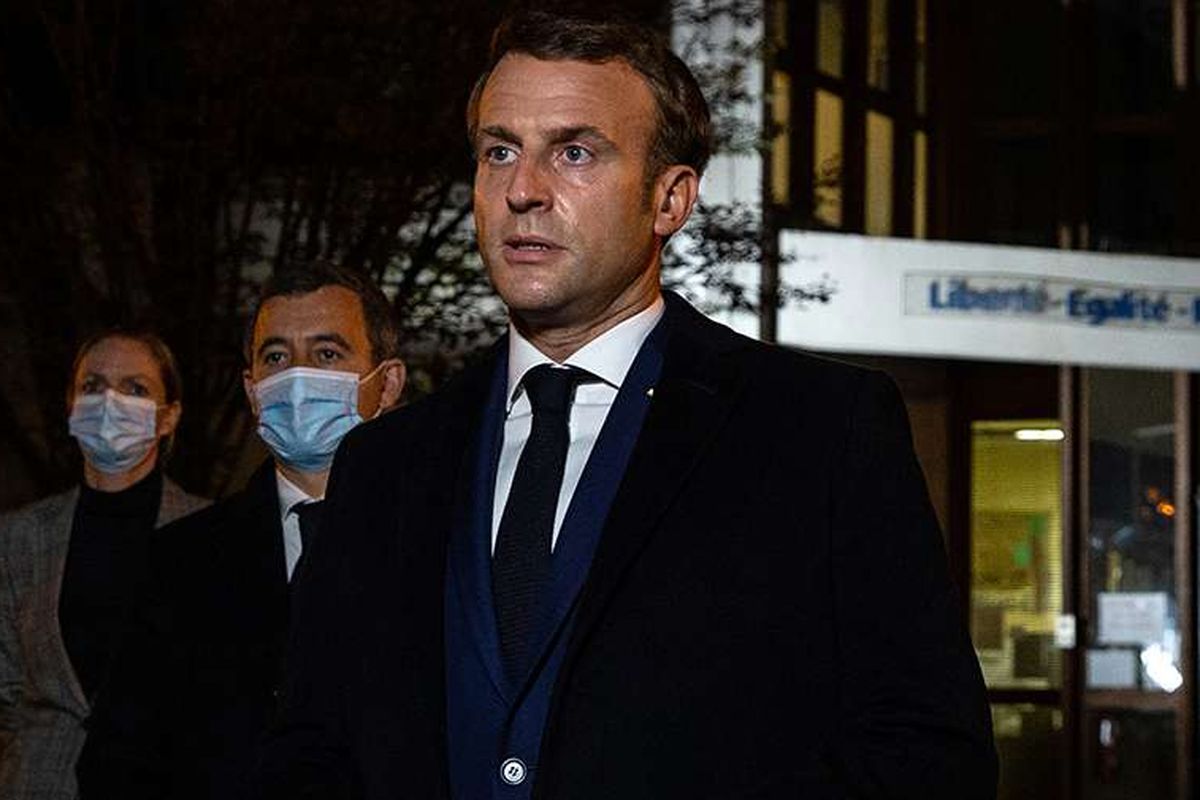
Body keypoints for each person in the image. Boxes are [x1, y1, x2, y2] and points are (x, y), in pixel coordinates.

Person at [261, 12, 997, 799]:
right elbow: (314, 748)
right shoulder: (386, 465)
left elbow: (927, 754)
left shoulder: (820, 432)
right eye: (498, 150)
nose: (522, 191)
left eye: (574, 152)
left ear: (670, 199)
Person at [77, 261, 405, 799]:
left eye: (326, 354)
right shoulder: (178, 562)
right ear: (253, 391)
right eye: (276, 357)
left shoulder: (445, 542)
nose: (296, 379)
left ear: (387, 382)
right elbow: (117, 763)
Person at [0, 329, 209, 800]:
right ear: (71, 405)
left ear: (168, 416)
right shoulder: (20, 537)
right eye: (92, 386)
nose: (110, 401)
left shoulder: (211, 531)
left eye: (135, 388)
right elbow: (7, 690)